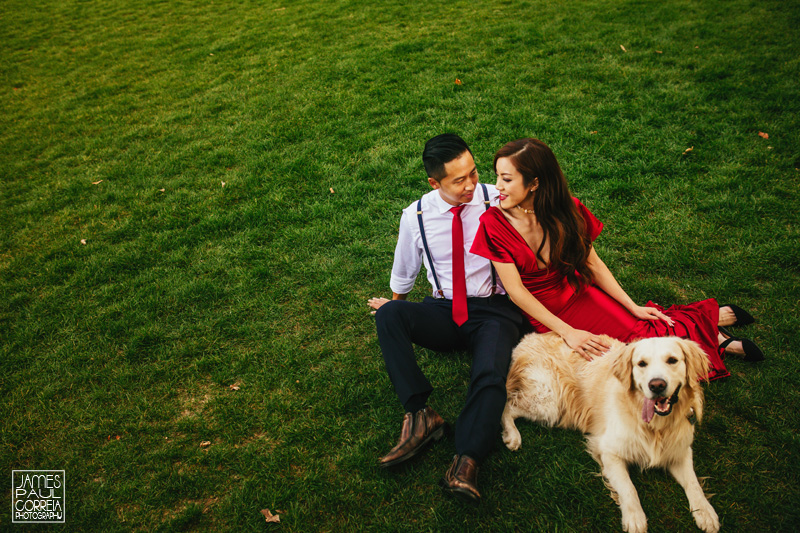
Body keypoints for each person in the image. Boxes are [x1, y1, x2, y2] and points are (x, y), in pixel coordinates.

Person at [470, 138, 763, 380]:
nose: (498, 186)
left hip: (579, 293)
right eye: (497, 176)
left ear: (534, 183)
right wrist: (568, 333)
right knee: (622, 356)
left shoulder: (569, 210)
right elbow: (517, 292)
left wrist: (632, 305)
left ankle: (714, 334)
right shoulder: (493, 223)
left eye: (506, 179)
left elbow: (594, 264)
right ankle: (713, 328)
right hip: (548, 312)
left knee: (641, 330)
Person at [367, 133, 526, 503]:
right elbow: (403, 273)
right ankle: (420, 415)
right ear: (434, 183)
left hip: (494, 311)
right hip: (443, 309)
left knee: (489, 373)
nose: (471, 184)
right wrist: (398, 309)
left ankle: (466, 460)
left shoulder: (495, 199)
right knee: (389, 315)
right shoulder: (416, 215)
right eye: (459, 180)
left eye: (473, 172)